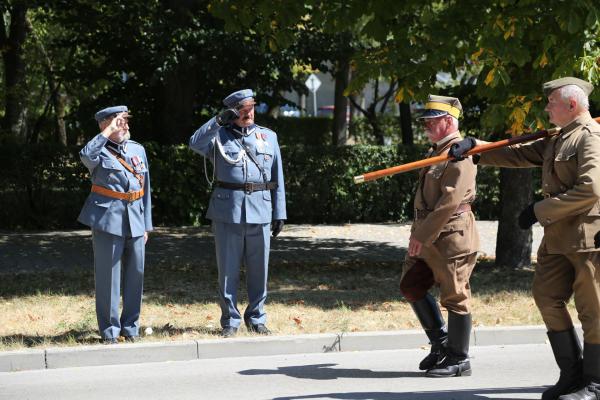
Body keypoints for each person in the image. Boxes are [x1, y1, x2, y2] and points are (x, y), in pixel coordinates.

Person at [450, 77, 600, 400]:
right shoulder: (558, 138)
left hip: (587, 240)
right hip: (558, 241)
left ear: (572, 105)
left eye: (552, 103)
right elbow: (518, 153)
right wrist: (476, 149)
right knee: (546, 296)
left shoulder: (590, 138)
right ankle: (572, 375)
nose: (547, 108)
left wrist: (538, 209)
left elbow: (591, 190)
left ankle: (595, 383)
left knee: (594, 311)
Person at [189, 89, 286, 338]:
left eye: (251, 107)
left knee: (259, 269)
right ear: (232, 112)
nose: (248, 113)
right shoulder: (218, 136)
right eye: (242, 109)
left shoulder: (269, 137)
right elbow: (194, 142)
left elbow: (278, 178)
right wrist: (218, 120)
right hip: (228, 211)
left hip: (261, 209)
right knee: (228, 270)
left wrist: (280, 212)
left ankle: (256, 317)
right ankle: (230, 320)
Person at [399, 95, 480, 377]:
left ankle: (459, 358)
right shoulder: (438, 150)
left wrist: (421, 234)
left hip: (451, 236)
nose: (425, 126)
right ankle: (441, 343)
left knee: (455, 296)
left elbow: (449, 201)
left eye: (430, 122)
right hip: (427, 236)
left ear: (448, 121)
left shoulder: (460, 153)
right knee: (411, 287)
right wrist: (419, 234)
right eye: (424, 122)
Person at [78, 105, 153, 344]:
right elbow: (85, 155)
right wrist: (108, 130)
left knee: (136, 275)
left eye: (125, 120)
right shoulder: (98, 150)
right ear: (104, 124)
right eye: (118, 121)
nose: (125, 125)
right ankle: (109, 331)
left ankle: (130, 327)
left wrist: (146, 225)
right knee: (109, 278)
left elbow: (146, 190)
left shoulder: (137, 150)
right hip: (108, 220)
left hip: (135, 220)